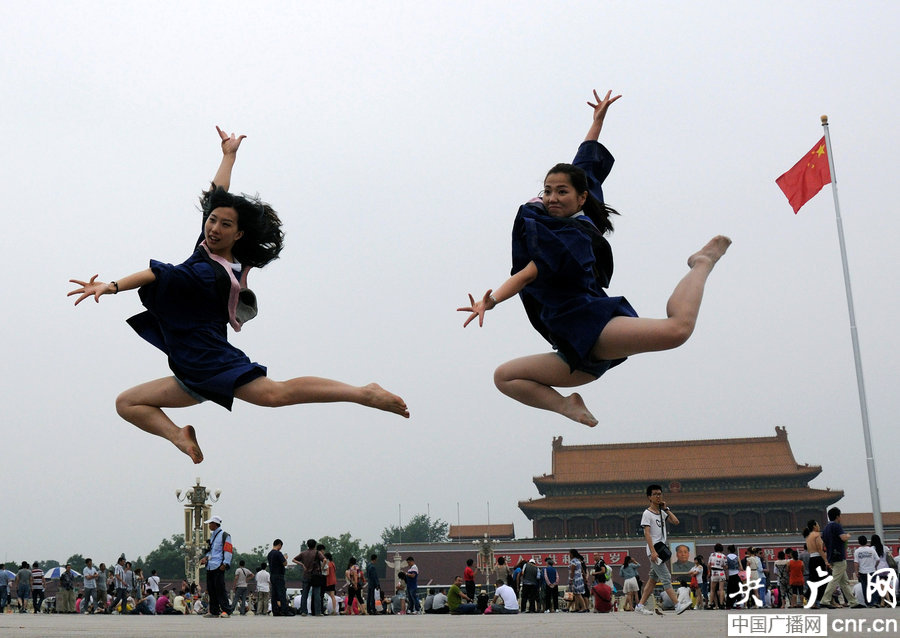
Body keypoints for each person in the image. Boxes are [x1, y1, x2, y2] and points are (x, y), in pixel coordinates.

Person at [68, 126, 409, 465]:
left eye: (224, 225)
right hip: (189, 369)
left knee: (276, 393)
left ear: (238, 233)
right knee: (127, 403)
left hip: (207, 360)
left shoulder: (203, 270)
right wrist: (228, 156)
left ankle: (365, 393)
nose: (214, 228)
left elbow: (155, 273)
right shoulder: (216, 254)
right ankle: (178, 435)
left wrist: (110, 286)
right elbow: (218, 194)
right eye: (212, 221)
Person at [459, 90, 731, 429]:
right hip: (572, 351)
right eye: (548, 190)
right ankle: (566, 405)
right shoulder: (546, 212)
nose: (552, 198)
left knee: (676, 330)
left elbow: (529, 274)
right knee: (505, 378)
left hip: (593, 327)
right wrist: (597, 122)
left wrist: (492, 300)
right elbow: (581, 164)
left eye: (562, 192)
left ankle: (702, 262)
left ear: (581, 197)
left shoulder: (571, 235)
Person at [635, 484, 691, 616]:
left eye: (659, 493)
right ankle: (677, 605)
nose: (658, 496)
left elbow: (676, 522)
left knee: (653, 579)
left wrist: (666, 509)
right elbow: (647, 534)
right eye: (655, 494)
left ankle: (640, 605)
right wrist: (653, 551)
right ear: (649, 497)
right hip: (654, 550)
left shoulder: (661, 512)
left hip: (661, 548)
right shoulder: (647, 513)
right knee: (666, 577)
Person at [820, 508, 862, 608]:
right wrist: (848, 535)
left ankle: (853, 602)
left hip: (831, 557)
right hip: (839, 556)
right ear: (838, 516)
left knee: (844, 582)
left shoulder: (826, 528)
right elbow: (843, 537)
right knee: (834, 579)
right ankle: (825, 600)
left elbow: (822, 545)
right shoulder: (837, 526)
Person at [198, 515, 233, 618]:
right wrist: (205, 558)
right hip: (210, 566)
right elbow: (210, 551)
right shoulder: (213, 536)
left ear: (215, 524)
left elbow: (228, 550)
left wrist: (225, 563)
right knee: (211, 589)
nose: (209, 525)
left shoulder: (224, 535)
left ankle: (226, 610)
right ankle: (214, 611)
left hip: (218, 565)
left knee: (220, 589)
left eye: (210, 523)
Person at [294, 538, 325, 616]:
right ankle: (318, 612)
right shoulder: (317, 553)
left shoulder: (303, 553)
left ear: (307, 545)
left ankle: (304, 611)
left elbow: (294, 560)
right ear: (315, 545)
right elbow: (324, 560)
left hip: (306, 575)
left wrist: (302, 565)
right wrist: (321, 568)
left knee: (304, 594)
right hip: (315, 576)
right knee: (317, 595)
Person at [853, 536, 877, 606]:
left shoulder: (857, 551)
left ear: (859, 542)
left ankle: (868, 603)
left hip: (862, 572)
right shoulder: (871, 550)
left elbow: (856, 563)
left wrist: (856, 572)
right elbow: (877, 559)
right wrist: (874, 566)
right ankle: (875, 601)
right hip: (872, 570)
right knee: (873, 586)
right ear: (866, 541)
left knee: (865, 587)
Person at [267, 540, 289, 616]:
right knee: (281, 593)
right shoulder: (278, 553)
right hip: (279, 575)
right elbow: (285, 563)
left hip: (272, 575)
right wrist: (285, 558)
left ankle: (275, 610)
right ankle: (284, 610)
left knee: (274, 594)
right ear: (279, 545)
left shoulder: (269, 554)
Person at [323, 552, 338, 616]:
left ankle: (323, 609)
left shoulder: (328, 564)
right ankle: (334, 610)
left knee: (322, 594)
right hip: (333, 580)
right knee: (332, 596)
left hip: (328, 581)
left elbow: (327, 573)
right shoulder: (333, 563)